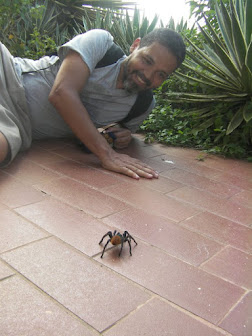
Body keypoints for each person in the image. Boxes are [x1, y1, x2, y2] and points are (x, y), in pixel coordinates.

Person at [0, 28, 186, 179]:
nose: (147, 76)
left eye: (160, 74)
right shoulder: (101, 44)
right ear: (135, 46)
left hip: (14, 122)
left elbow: (101, 135)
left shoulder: (142, 106)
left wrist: (120, 137)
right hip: (9, 75)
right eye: (146, 60)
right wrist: (106, 154)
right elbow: (62, 93)